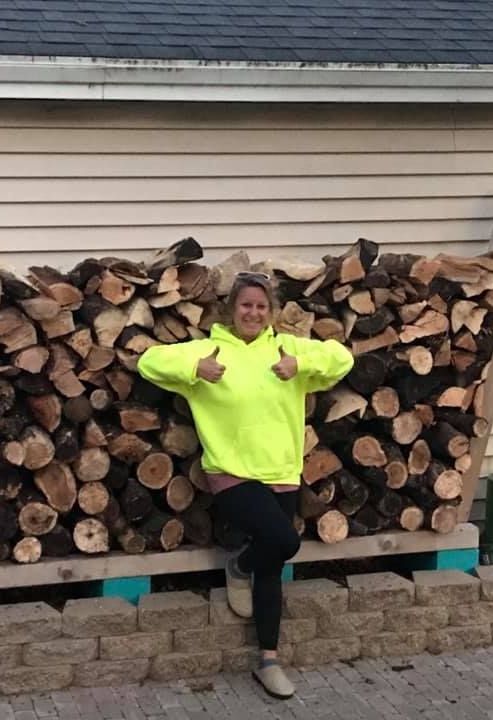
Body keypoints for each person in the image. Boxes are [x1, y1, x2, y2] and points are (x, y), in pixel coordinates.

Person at [137, 271, 353, 699]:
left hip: (282, 471)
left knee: (273, 566)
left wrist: (302, 365)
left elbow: (342, 358)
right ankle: (238, 566)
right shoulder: (211, 348)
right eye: (245, 305)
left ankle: (268, 660)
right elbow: (148, 362)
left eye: (260, 306)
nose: (253, 312)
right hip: (231, 470)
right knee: (284, 542)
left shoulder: (288, 350)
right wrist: (193, 367)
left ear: (271, 312)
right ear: (232, 309)